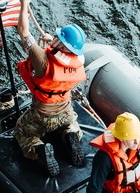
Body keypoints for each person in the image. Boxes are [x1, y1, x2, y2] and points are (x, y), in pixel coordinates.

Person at [13, 0, 87, 177]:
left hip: (42, 115)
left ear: (61, 45)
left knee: (23, 132)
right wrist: (53, 44)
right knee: (70, 123)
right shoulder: (78, 60)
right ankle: (71, 135)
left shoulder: (41, 60)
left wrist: (24, 5)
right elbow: (65, 55)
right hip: (65, 110)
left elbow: (23, 31)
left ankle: (38, 149)